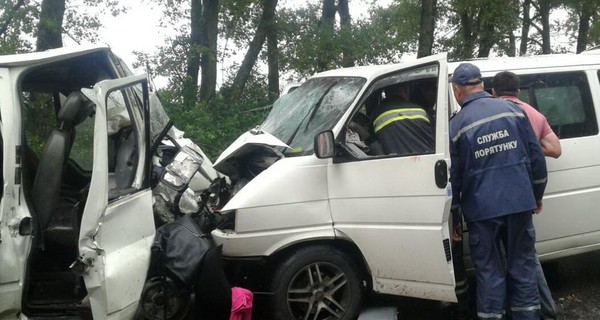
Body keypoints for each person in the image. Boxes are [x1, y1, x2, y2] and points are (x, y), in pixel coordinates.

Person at [449, 63, 548, 320]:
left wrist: (454, 216)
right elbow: (536, 158)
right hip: (519, 204)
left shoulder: (456, 125)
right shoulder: (514, 111)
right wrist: (537, 194)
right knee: (523, 269)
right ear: (482, 85)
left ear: (458, 91)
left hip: (482, 213)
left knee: (489, 273)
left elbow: (454, 178)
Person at [493, 71, 561, 320]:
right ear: (518, 91)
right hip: (524, 194)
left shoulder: (489, 110)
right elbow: (555, 149)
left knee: (500, 258)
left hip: (492, 196)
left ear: (493, 91)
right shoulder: (533, 113)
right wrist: (531, 144)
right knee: (526, 257)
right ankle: (545, 310)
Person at [370, 82, 434, 155]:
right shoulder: (421, 111)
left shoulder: (376, 114)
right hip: (426, 160)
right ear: (404, 90)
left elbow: (372, 140)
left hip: (394, 163)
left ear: (386, 92)